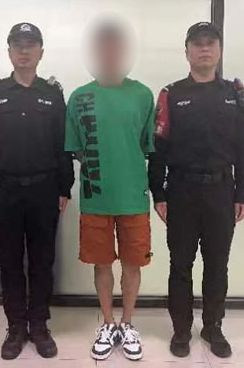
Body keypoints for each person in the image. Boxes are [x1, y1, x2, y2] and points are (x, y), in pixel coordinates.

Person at [148, 22, 244, 359]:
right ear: (187, 52)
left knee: (217, 264)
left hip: (221, 192)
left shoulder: (233, 94)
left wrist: (242, 193)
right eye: (197, 44)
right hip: (181, 191)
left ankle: (212, 326)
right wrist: (158, 193)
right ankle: (181, 329)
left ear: (219, 50)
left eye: (210, 43)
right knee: (180, 264)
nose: (204, 49)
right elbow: (158, 149)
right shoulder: (171, 94)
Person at [0, 22, 74, 360]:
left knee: (43, 261)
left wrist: (64, 187)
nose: (24, 51)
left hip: (45, 190)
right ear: (9, 52)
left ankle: (39, 326)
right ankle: (16, 327)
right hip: (6, 191)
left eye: (30, 45)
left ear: (41, 52)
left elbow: (63, 144)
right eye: (18, 45)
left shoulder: (53, 94)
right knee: (10, 262)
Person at [65, 20, 155, 362]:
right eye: (103, 46)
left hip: (133, 197)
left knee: (133, 264)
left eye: (116, 46)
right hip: (96, 197)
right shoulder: (79, 98)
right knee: (101, 264)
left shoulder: (143, 95)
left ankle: (127, 324)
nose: (110, 52)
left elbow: (148, 146)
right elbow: (75, 149)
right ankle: (107, 324)